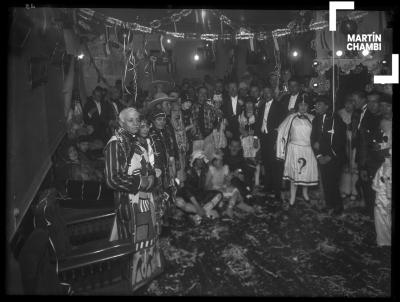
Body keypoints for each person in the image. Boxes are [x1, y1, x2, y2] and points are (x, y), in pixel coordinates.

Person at [104, 107, 163, 291]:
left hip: (144, 201)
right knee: (133, 245)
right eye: (131, 120)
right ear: (121, 122)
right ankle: (134, 286)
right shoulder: (116, 144)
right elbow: (112, 179)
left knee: (147, 240)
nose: (136, 123)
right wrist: (142, 181)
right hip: (130, 204)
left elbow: (145, 165)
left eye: (138, 119)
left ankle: (145, 278)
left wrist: (152, 175)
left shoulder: (135, 141)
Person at [276, 97, 318, 205]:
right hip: (295, 148)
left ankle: (305, 193)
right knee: (294, 174)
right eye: (301, 105)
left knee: (305, 173)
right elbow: (282, 130)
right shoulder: (291, 117)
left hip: (308, 149)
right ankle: (292, 197)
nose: (303, 107)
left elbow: (317, 135)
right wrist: (281, 148)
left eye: (305, 105)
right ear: (297, 106)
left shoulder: (313, 118)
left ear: (308, 107)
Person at [311, 97, 347, 215]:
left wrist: (330, 156)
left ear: (327, 106)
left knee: (333, 182)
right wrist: (319, 156)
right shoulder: (316, 120)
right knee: (326, 182)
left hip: (334, 157)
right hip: (322, 156)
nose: (316, 106)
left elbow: (341, 141)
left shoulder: (336, 119)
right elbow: (313, 140)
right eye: (316, 104)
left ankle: (338, 206)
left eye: (319, 104)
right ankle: (329, 204)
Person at [175, 150, 223, 225]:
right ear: (194, 160)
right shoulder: (188, 172)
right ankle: (201, 213)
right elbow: (186, 190)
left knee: (219, 194)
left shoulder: (204, 171)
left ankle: (197, 216)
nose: (201, 161)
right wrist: (197, 206)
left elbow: (205, 187)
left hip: (200, 196)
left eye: (202, 159)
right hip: (190, 198)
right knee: (179, 202)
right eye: (199, 159)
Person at [357, 91, 384, 218]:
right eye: (369, 102)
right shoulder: (366, 117)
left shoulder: (386, 118)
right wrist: (362, 166)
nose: (372, 105)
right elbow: (362, 143)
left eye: (375, 101)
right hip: (369, 161)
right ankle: (371, 213)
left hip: (384, 163)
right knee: (367, 188)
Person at [255, 87, 285, 200]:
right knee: (266, 163)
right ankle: (268, 187)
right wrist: (255, 137)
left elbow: (282, 124)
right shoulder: (262, 105)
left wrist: (278, 140)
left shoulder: (279, 105)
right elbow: (259, 122)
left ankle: (277, 190)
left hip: (274, 138)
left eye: (269, 92)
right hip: (264, 137)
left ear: (272, 93)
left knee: (276, 165)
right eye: (265, 92)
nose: (267, 94)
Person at [205, 152, 254, 218]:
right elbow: (206, 186)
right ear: (214, 162)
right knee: (233, 197)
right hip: (214, 192)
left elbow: (227, 183)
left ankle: (230, 208)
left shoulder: (225, 168)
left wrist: (233, 176)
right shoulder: (211, 170)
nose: (221, 161)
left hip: (223, 189)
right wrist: (216, 189)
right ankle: (231, 209)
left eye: (221, 160)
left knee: (235, 190)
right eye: (219, 160)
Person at [372, 96, 392, 246]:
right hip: (384, 170)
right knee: (380, 204)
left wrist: (387, 152)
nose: (384, 109)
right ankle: (384, 241)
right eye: (382, 106)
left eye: (388, 106)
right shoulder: (381, 123)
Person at [338, 96, 358, 201]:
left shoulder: (357, 114)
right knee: (345, 166)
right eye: (346, 104)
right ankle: (345, 190)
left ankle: (354, 191)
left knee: (354, 166)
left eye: (350, 104)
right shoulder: (340, 113)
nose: (348, 106)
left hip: (355, 143)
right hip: (344, 142)